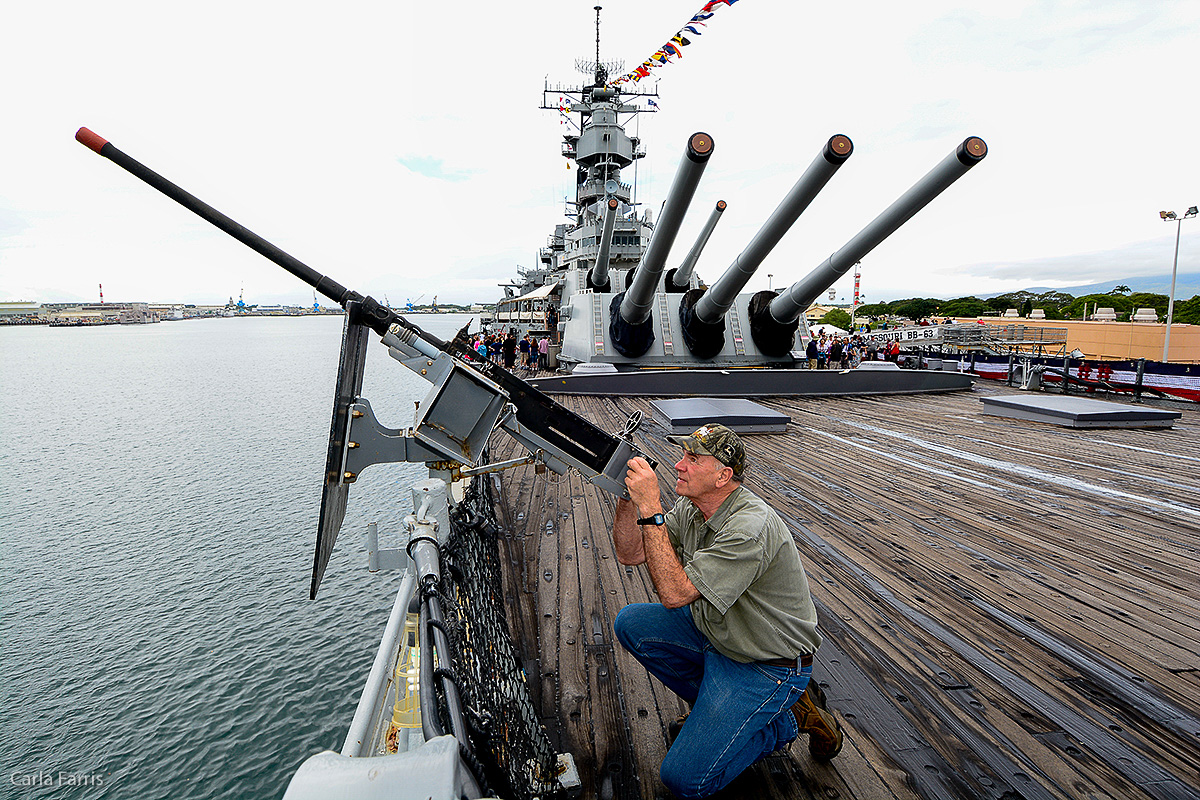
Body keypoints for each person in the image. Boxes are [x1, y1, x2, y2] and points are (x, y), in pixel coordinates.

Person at [612, 424, 842, 799]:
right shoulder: (692, 507)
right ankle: (720, 715)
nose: (678, 465)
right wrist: (628, 499)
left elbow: (673, 593)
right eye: (682, 455)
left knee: (684, 779)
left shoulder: (748, 528)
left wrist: (652, 508)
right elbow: (631, 553)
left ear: (723, 476)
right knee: (631, 624)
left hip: (766, 664)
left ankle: (786, 720)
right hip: (719, 635)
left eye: (693, 458)